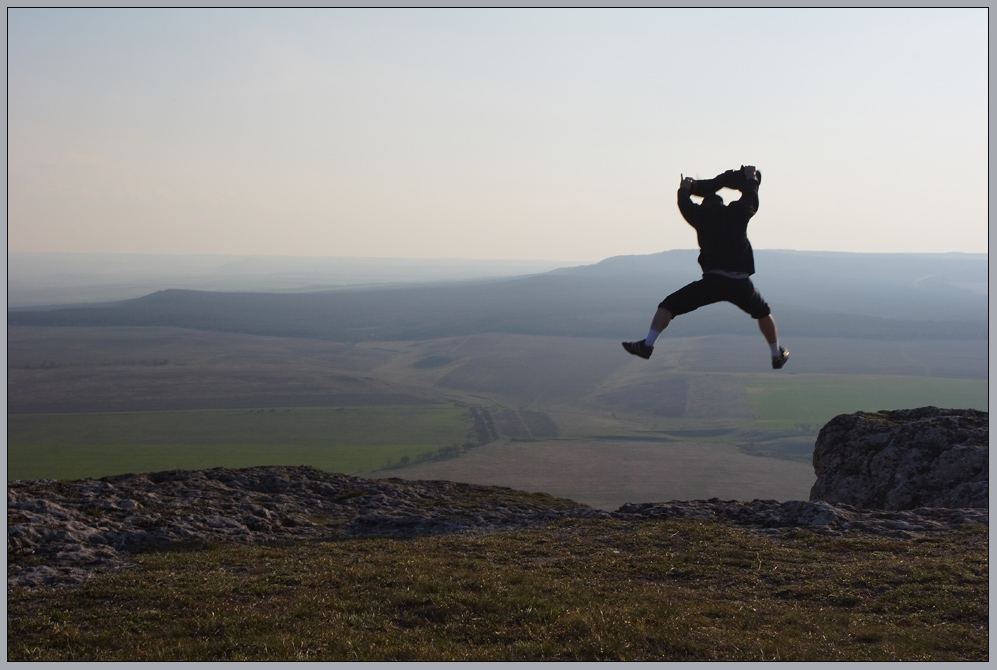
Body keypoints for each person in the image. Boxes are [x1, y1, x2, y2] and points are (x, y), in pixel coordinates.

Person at [622, 165, 789, 369]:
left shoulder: (700, 217)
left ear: (705, 206)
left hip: (713, 281)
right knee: (763, 312)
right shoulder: (737, 213)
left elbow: (684, 204)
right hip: (740, 282)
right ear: (722, 204)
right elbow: (751, 199)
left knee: (668, 305)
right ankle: (776, 354)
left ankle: (648, 344)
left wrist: (684, 188)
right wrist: (750, 178)